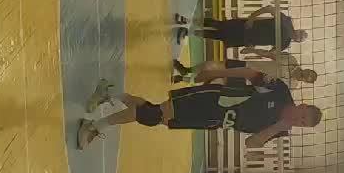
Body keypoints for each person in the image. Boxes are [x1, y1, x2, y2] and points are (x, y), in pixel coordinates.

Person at [77, 73, 321, 149]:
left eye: (301, 123)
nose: (298, 120)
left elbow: (251, 143)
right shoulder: (280, 90)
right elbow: (251, 74)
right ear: (302, 105)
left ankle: (109, 93)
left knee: (153, 113)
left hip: (212, 121)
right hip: (213, 100)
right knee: (153, 116)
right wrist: (220, 72)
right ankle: (95, 125)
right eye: (302, 115)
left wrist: (277, 127)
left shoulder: (280, 130)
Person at [203, 6, 307, 55]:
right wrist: (252, 18)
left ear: (297, 41)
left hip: (246, 40)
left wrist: (252, 50)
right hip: (246, 26)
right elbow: (269, 8)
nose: (299, 36)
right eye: (301, 33)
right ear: (299, 29)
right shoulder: (287, 21)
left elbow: (269, 53)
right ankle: (195, 22)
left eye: (300, 38)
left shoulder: (285, 44)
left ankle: (195, 33)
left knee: (216, 36)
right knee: (218, 25)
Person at [173, 54, 318, 86]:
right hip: (248, 65)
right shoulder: (292, 60)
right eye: (308, 73)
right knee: (210, 65)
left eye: (307, 79)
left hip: (248, 81)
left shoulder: (291, 86)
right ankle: (187, 71)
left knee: (215, 80)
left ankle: (184, 79)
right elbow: (272, 55)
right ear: (307, 69)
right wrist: (255, 50)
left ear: (305, 82)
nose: (305, 76)